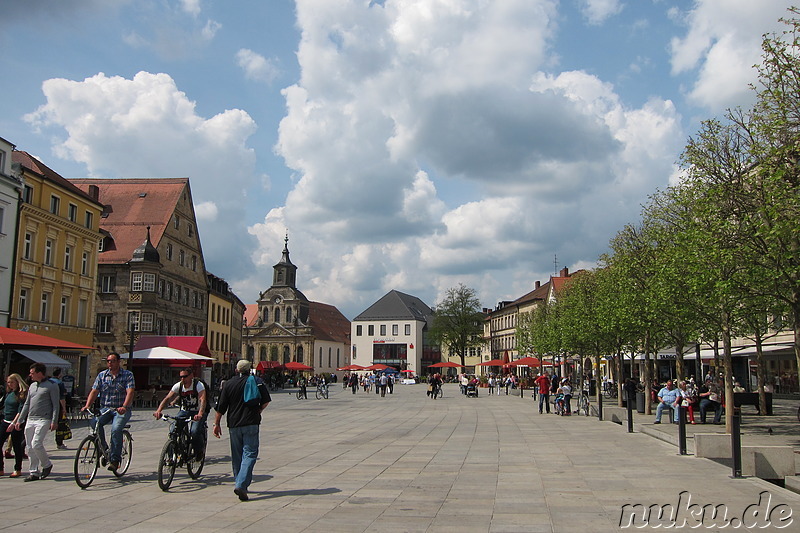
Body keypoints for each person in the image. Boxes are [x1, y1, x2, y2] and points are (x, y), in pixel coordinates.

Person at [213, 360, 271, 501]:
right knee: (250, 454)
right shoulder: (256, 380)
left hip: (234, 424)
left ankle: (239, 483)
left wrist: (216, 424)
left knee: (237, 456)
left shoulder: (228, 384)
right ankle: (241, 485)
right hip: (251, 422)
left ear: (236, 369)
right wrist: (258, 410)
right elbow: (266, 400)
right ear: (249, 369)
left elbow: (221, 407)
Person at [81, 352, 136, 472]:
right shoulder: (102, 375)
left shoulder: (127, 375)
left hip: (120, 409)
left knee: (116, 429)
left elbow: (130, 392)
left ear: (118, 362)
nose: (110, 363)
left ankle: (115, 460)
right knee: (95, 423)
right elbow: (94, 391)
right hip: (105, 408)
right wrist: (87, 405)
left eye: (112, 361)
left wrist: (125, 406)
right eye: (108, 361)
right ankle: (103, 448)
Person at [16, 363, 60, 481]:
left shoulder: (52, 386)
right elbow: (27, 404)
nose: (30, 375)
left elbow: (56, 405)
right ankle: (34, 472)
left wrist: (54, 420)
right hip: (31, 419)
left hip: (43, 419)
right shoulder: (32, 386)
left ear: (39, 373)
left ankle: (47, 464)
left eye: (32, 373)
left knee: (36, 443)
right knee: (29, 447)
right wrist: (21, 419)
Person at [153, 368, 208, 459]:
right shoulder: (178, 386)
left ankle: (199, 452)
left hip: (197, 411)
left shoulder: (198, 385)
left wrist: (200, 414)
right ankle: (171, 457)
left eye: (185, 376)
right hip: (184, 411)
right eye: (181, 377)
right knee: (173, 430)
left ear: (191, 376)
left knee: (194, 431)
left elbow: (203, 400)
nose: (182, 379)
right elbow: (167, 398)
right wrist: (159, 411)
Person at [1, 374, 28, 477]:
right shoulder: (9, 393)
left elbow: (20, 410)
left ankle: (18, 469)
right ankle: (0, 468)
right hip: (5, 420)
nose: (10, 384)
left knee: (17, 446)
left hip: (16, 423)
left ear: (17, 382)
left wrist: (14, 422)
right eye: (8, 382)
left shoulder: (21, 394)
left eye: (12, 382)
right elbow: (3, 405)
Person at [50, 367, 68, 449]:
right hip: (57, 405)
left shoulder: (48, 381)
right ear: (59, 374)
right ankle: (59, 443)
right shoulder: (60, 383)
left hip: (47, 405)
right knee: (59, 425)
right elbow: (62, 398)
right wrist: (64, 408)